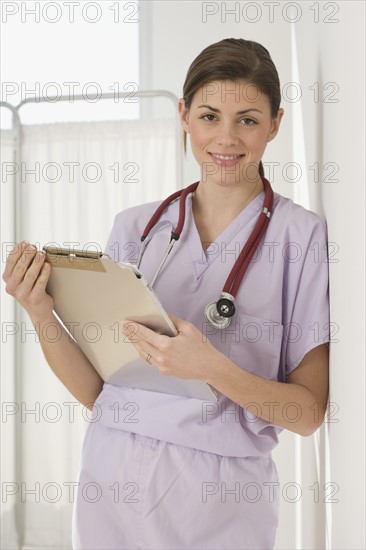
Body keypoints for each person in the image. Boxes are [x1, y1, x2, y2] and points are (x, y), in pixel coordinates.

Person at [3, 38, 330, 550]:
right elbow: (98, 392)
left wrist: (208, 366)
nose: (226, 138)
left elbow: (308, 415)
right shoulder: (136, 227)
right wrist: (40, 310)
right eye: (208, 115)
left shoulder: (300, 238)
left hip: (219, 505)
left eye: (247, 118)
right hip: (109, 485)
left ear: (275, 124)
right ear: (183, 115)